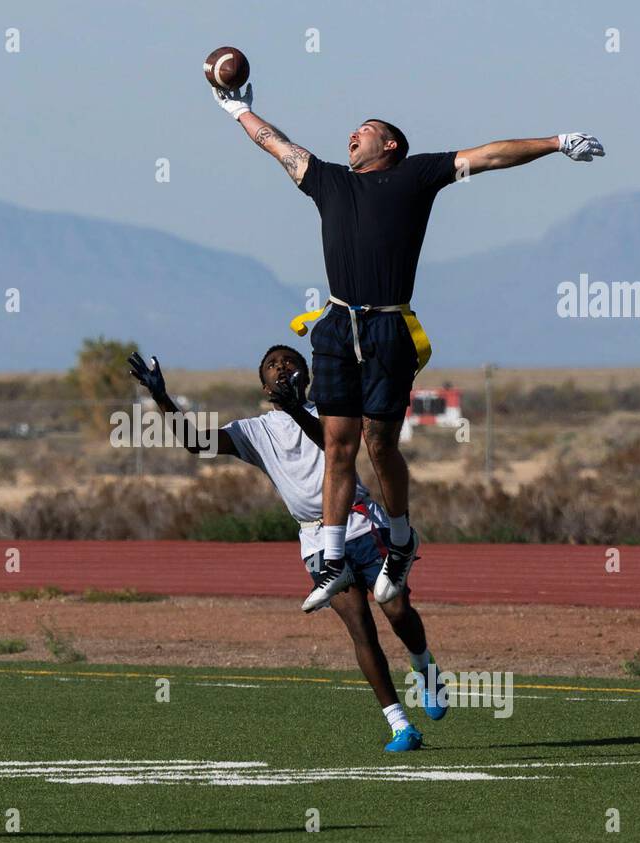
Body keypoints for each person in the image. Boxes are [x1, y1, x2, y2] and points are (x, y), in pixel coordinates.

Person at [211, 82, 604, 612]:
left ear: (392, 145)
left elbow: (489, 155)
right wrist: (240, 109)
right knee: (339, 445)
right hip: (334, 325)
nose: (354, 133)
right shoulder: (328, 181)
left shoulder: (416, 175)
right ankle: (331, 560)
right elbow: (279, 146)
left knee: (380, 444)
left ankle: (399, 541)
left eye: (367, 129)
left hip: (388, 330)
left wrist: (558, 141)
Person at [128, 345, 445, 752]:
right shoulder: (255, 431)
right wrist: (161, 397)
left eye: (290, 363)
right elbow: (195, 442)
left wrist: (298, 409)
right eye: (272, 366)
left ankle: (425, 667)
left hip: (361, 523)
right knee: (360, 629)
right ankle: (400, 725)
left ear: (306, 377)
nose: (281, 368)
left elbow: (335, 449)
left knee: (397, 608)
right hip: (316, 537)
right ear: (263, 384)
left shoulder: (330, 413)